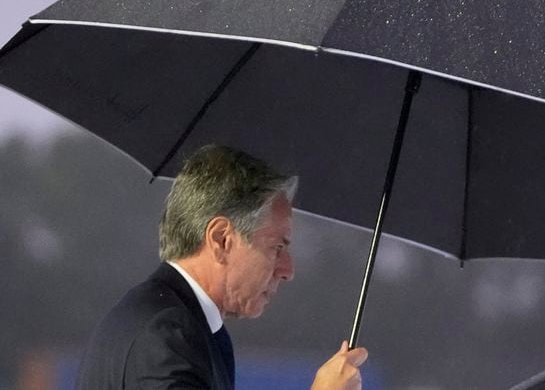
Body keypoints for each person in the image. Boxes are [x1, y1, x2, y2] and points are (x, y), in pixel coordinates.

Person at [75, 144, 368, 389]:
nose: (288, 270)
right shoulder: (165, 335)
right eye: (277, 247)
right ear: (221, 239)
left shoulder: (180, 326)